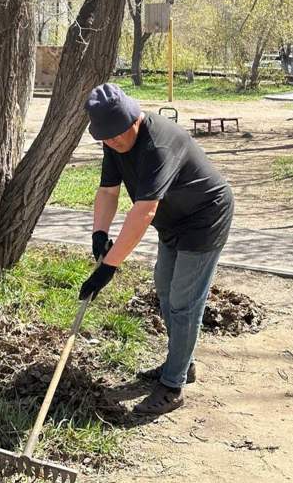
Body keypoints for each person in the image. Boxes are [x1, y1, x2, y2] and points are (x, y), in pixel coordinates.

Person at [79, 84, 234, 415]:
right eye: (106, 137)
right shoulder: (113, 141)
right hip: (173, 221)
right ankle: (182, 363)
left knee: (184, 301)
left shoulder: (158, 144)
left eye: (118, 135)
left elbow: (143, 212)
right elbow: (108, 192)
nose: (113, 143)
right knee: (165, 289)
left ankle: (173, 385)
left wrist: (109, 268)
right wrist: (99, 233)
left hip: (205, 217)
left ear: (134, 117)